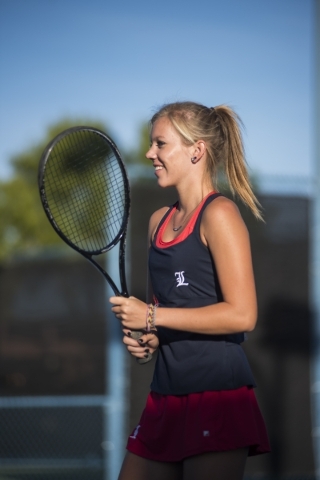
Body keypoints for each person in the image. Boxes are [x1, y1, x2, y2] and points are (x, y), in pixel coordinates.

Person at [110, 101, 270, 480]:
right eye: (152, 145)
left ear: (196, 150)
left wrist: (150, 316)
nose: (150, 153)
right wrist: (148, 339)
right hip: (165, 396)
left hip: (218, 397)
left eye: (160, 144)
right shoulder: (156, 223)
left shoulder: (220, 215)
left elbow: (242, 314)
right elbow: (163, 313)